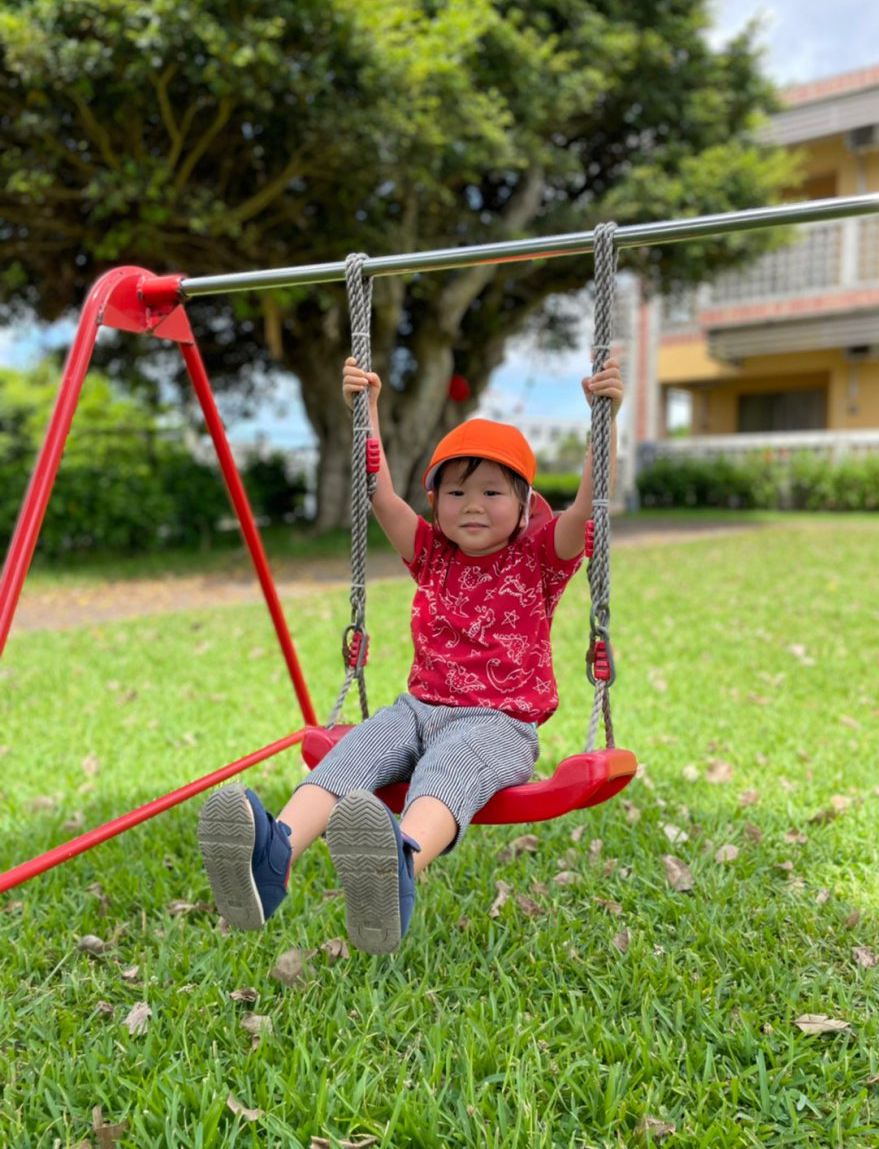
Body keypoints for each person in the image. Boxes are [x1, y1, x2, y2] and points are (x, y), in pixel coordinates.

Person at [198, 354, 624, 954]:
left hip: (498, 725)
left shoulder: (539, 559)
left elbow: (588, 504)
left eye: (492, 492)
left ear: (526, 506)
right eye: (456, 492)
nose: (472, 504)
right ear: (436, 502)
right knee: (353, 754)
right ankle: (274, 853)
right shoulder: (431, 554)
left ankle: (397, 862)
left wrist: (604, 420)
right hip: (415, 710)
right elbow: (379, 493)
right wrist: (366, 410)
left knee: (449, 768)